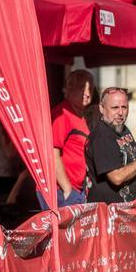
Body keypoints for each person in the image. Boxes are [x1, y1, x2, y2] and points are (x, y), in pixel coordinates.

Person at [41, 69, 95, 209]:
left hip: (75, 191)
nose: (87, 94)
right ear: (69, 88)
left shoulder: (80, 117)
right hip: (60, 191)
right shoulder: (62, 115)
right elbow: (52, 154)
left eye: (91, 88)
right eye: (82, 87)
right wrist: (67, 190)